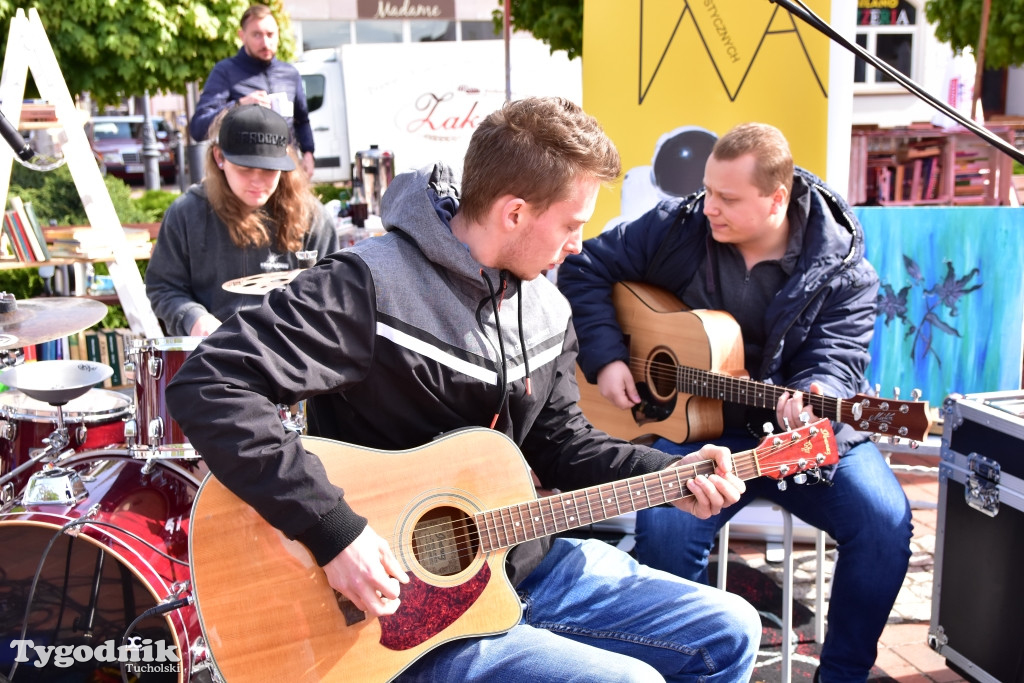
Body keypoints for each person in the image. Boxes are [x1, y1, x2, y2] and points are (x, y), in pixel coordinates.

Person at [164, 97, 761, 681]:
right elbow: (211, 382)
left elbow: (560, 444)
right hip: (395, 610)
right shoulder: (369, 286)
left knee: (731, 628)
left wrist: (663, 475)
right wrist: (334, 531)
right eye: (572, 224)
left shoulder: (547, 308)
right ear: (515, 212)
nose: (578, 245)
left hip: (525, 565)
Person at [557, 122, 914, 683]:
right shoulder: (680, 225)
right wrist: (607, 357)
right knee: (666, 530)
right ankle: (680, 669)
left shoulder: (845, 271)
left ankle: (842, 674)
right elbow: (584, 266)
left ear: (777, 198)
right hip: (703, 432)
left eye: (727, 198)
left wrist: (820, 392)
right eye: (707, 190)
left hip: (803, 437)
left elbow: (839, 355)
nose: (709, 208)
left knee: (885, 520)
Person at [147, 104, 338, 337]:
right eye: (245, 169)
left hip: (288, 354)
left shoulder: (313, 217)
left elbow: (331, 295)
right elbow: (163, 287)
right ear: (219, 157)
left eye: (269, 171)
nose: (257, 181)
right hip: (213, 354)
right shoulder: (186, 212)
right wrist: (194, 318)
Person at [189, 3, 315, 177]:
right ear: (242, 36)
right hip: (247, 176)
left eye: (270, 34)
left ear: (278, 34)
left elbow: (301, 120)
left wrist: (308, 152)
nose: (265, 42)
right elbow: (198, 128)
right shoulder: (225, 71)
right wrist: (239, 106)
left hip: (287, 171)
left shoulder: (290, 73)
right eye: (257, 35)